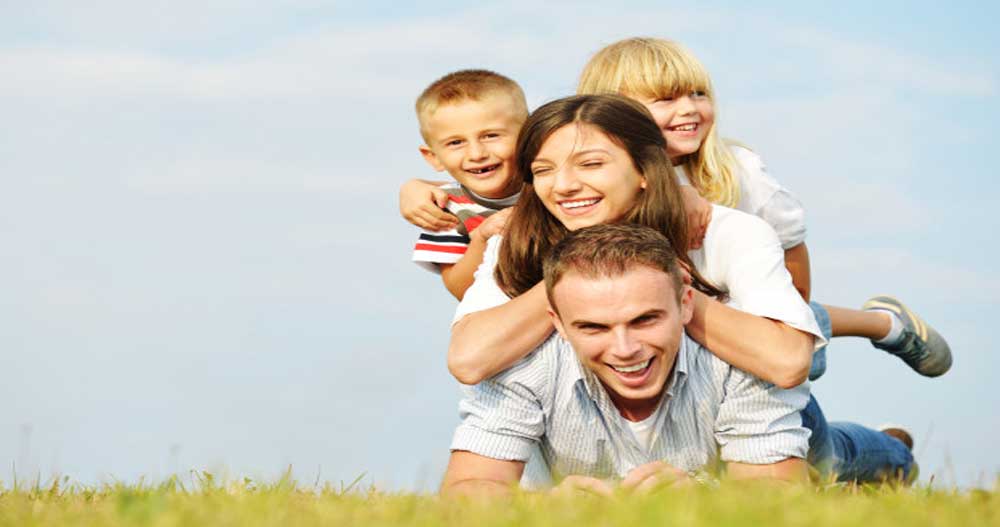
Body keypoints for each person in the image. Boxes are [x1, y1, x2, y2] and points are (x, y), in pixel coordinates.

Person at [448, 94, 914, 483]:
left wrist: (671, 286)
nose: (564, 185)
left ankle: (895, 451)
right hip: (615, 422)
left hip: (755, 410)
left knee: (830, 460)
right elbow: (471, 360)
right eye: (543, 170)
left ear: (646, 171)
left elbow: (788, 362)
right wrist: (573, 272)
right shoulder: (520, 243)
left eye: (590, 164)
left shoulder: (728, 233)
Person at [575, 36, 951, 379]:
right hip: (671, 322)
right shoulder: (600, 180)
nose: (689, 109)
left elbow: (791, 243)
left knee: (809, 419)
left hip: (750, 314)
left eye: (698, 94)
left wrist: (790, 313)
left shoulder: (737, 170)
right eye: (667, 100)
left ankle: (886, 331)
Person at [442, 224, 811, 497]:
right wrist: (544, 508)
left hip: (808, 429)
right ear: (558, 324)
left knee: (841, 454)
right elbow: (465, 490)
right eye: (593, 327)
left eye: (645, 320)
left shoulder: (738, 359)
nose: (624, 348)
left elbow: (782, 495)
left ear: (686, 304)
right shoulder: (524, 365)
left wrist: (705, 497)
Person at [408, 69, 525, 299]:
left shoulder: (550, 185)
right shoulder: (445, 207)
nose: (476, 153)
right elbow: (460, 289)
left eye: (491, 135)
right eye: (455, 142)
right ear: (434, 157)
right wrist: (482, 237)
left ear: (527, 135)